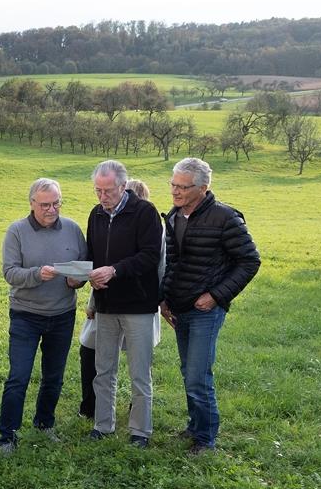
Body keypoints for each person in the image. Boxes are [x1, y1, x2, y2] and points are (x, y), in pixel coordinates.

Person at [160, 158, 260, 455]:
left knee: (197, 375)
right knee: (187, 371)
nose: (175, 192)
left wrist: (216, 296)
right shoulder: (174, 216)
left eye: (183, 187)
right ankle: (194, 427)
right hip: (179, 308)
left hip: (206, 310)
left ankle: (205, 440)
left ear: (203, 188)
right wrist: (165, 298)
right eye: (173, 185)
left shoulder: (225, 218)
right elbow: (173, 262)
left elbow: (250, 261)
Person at [0, 178, 88, 455]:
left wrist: (76, 282)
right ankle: (7, 435)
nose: (51, 209)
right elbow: (10, 273)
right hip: (26, 315)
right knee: (19, 376)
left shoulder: (72, 229)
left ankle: (44, 423)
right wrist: (37, 274)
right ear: (32, 204)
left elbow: (82, 270)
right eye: (45, 204)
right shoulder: (17, 231)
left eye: (56, 203)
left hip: (62, 315)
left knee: (54, 376)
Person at [85, 161, 162, 448]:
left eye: (108, 191)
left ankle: (140, 431)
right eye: (98, 190)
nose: (102, 197)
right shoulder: (95, 214)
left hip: (138, 304)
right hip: (106, 304)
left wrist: (115, 270)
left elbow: (151, 256)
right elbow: (92, 254)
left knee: (139, 372)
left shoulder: (145, 212)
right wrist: (90, 277)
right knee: (103, 368)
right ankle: (103, 425)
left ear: (123, 186)